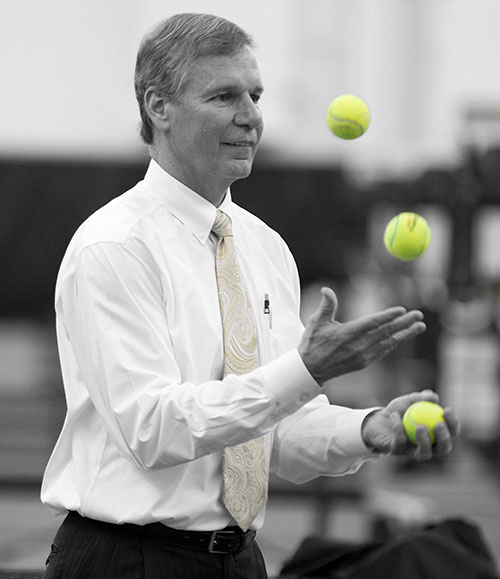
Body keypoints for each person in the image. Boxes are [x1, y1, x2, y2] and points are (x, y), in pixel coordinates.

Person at [41, 12, 459, 579]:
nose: (251, 117)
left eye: (256, 95)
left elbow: (278, 432)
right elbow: (153, 430)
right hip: (125, 560)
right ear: (158, 107)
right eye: (224, 96)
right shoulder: (114, 247)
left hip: (241, 561)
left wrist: (369, 430)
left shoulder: (264, 247)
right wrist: (303, 372)